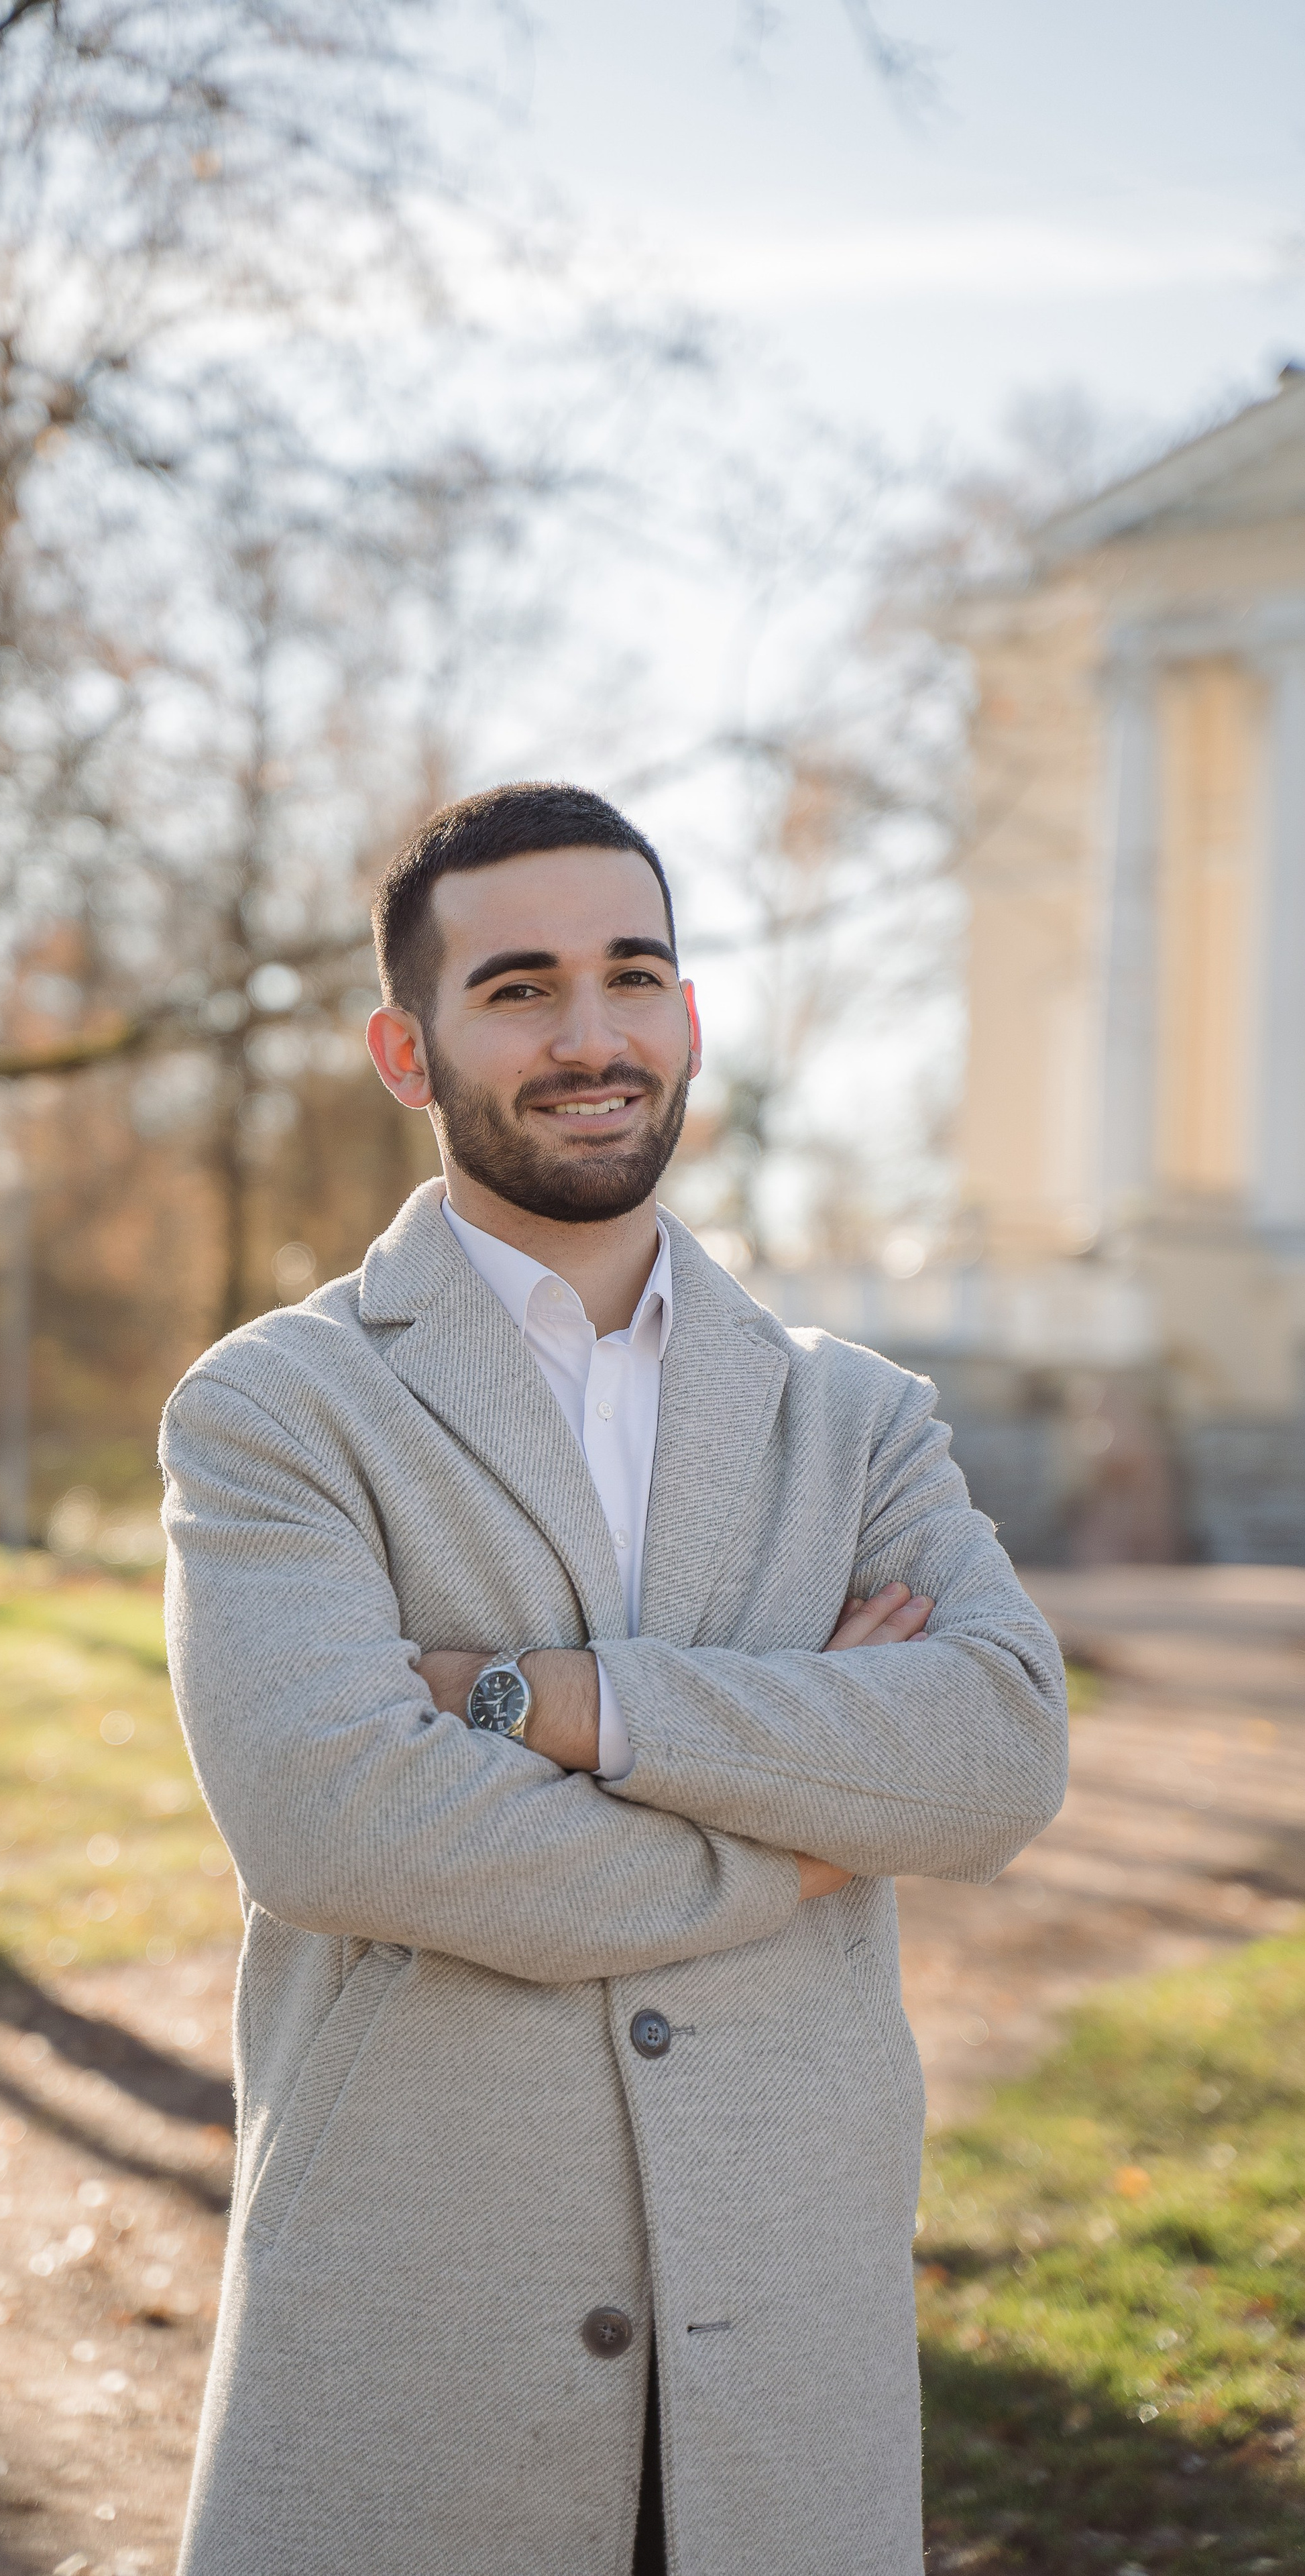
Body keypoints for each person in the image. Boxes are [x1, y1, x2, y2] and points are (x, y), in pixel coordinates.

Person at [158, 781, 1068, 2576]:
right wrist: (805, 1840)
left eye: (633, 975)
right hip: (422, 2368)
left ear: (690, 1017)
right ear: (406, 1053)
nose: (592, 1036)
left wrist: (547, 1705)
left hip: (784, 2379)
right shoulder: (277, 1409)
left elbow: (997, 1754)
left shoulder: (854, 1415)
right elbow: (343, 1826)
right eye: (517, 989)